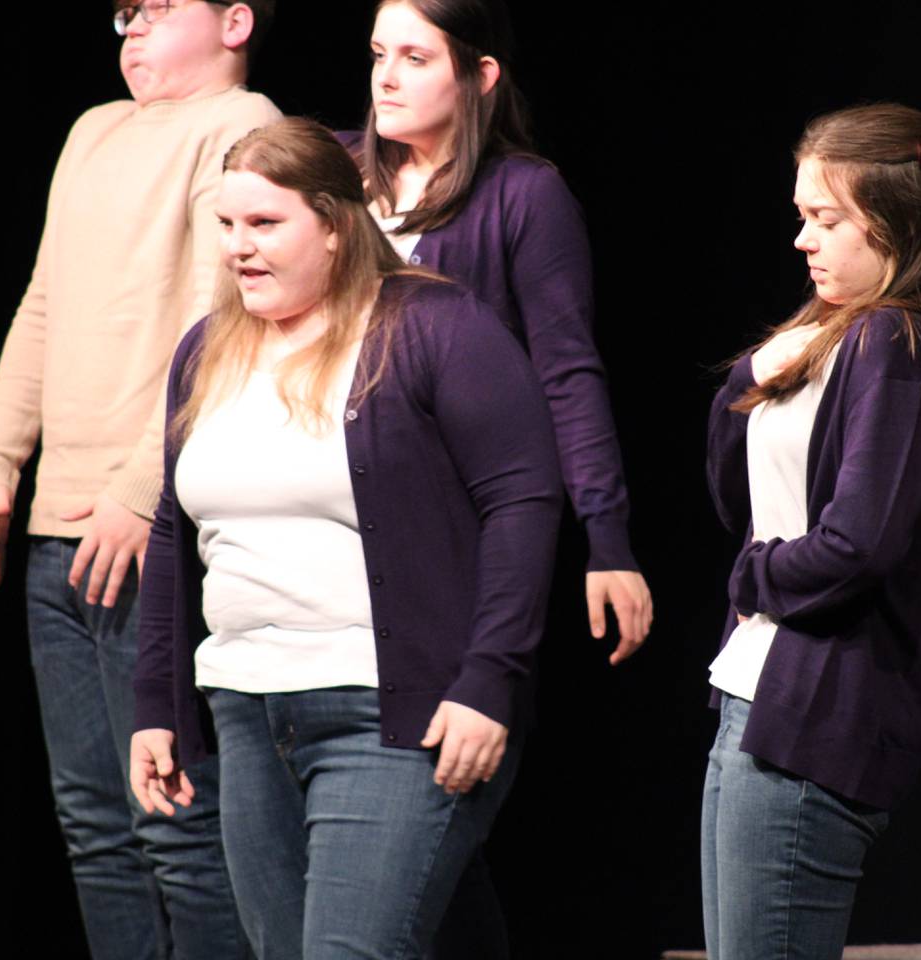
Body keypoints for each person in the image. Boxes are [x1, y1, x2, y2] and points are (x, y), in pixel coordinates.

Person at [128, 117, 564, 960]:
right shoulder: (207, 350)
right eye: (227, 225)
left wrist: (489, 678)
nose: (238, 248)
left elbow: (523, 501)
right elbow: (173, 536)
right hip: (249, 714)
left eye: (264, 224)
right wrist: (159, 704)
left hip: (392, 715)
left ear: (334, 224)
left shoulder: (432, 324)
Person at [0, 2, 280, 956]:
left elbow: (214, 320)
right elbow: (46, 299)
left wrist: (142, 489)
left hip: (145, 528)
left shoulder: (239, 123)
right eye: (122, 12)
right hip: (59, 527)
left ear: (234, 21)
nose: (129, 29)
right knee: (93, 826)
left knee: (176, 823)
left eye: (156, 8)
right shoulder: (92, 130)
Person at [701, 103, 921, 960]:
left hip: (815, 712)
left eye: (825, 219)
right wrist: (745, 382)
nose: (803, 240)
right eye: (802, 218)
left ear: (897, 222)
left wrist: (748, 578)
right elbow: (735, 501)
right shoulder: (832, 336)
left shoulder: (901, 344)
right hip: (750, 698)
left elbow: (860, 546)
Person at [342, 0, 653, 658]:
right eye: (379, 55)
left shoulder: (522, 195)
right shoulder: (334, 176)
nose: (386, 78)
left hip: (447, 528)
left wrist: (607, 537)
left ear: (480, 76)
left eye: (415, 58)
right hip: (323, 516)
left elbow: (566, 374)